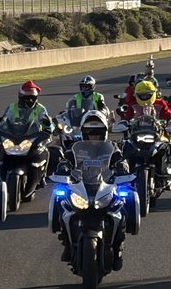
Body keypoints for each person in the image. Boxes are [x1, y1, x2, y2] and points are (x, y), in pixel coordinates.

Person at [55, 110, 132, 269]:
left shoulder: (112, 147)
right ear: (84, 133)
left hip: (104, 187)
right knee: (61, 203)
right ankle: (67, 244)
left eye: (97, 133)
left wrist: (122, 168)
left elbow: (121, 161)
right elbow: (66, 160)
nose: (94, 136)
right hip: (81, 187)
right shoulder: (75, 149)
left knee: (123, 210)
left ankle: (117, 248)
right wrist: (63, 168)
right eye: (90, 133)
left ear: (104, 133)